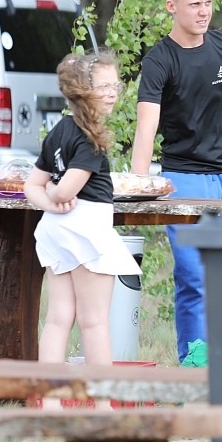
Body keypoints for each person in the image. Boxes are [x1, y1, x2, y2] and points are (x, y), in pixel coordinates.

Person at [130, 0, 222, 365]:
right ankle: (194, 360)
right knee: (193, 275)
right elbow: (146, 128)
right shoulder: (159, 60)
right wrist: (138, 187)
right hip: (183, 178)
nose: (204, 12)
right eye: (194, 5)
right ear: (172, 6)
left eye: (208, 3)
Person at [24, 52, 140, 394]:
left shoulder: (59, 130)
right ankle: (103, 404)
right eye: (103, 87)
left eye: (115, 85)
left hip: (56, 230)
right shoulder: (91, 137)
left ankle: (49, 401)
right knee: (94, 321)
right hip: (86, 230)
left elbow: (32, 186)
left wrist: (50, 202)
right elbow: (67, 189)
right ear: (81, 90)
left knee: (58, 318)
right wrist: (57, 195)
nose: (112, 93)